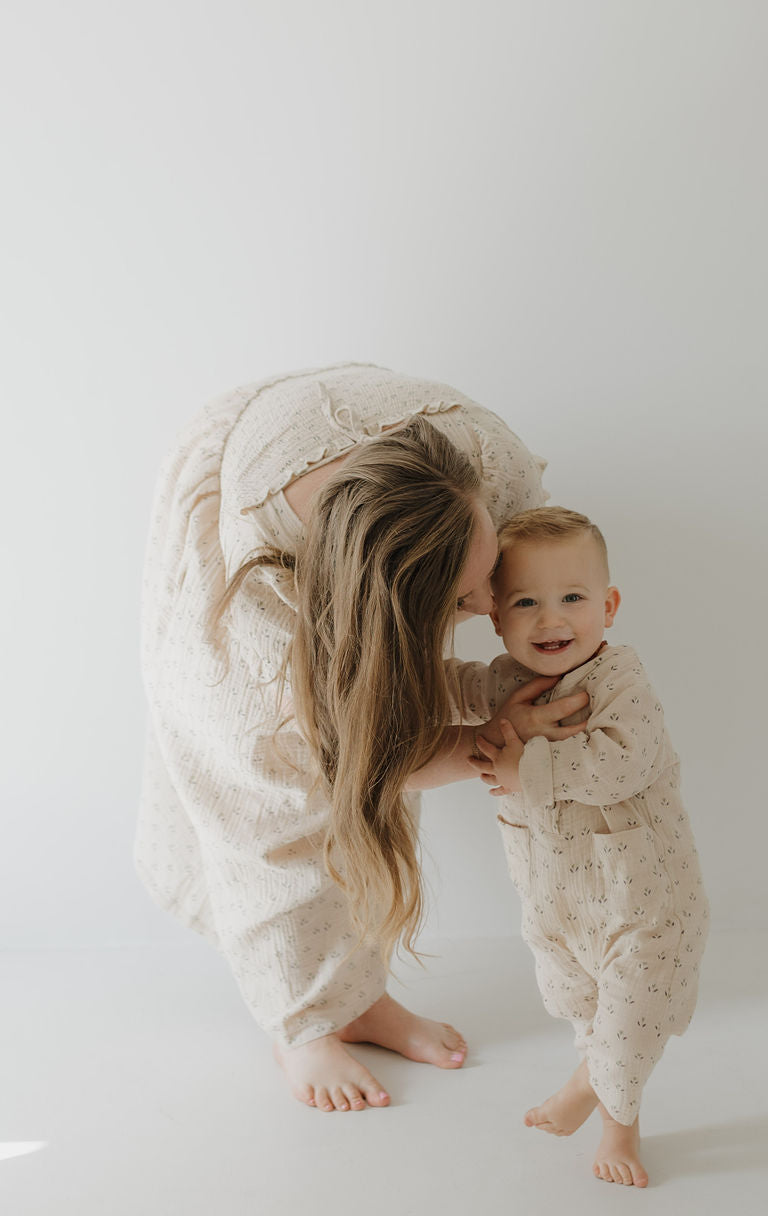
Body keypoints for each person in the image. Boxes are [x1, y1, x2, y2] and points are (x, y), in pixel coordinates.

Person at [135, 362, 590, 1114]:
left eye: (487, 573)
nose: (485, 606)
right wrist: (476, 747)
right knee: (279, 814)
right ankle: (305, 1020)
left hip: (324, 459)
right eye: (460, 599)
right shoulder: (253, 634)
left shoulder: (484, 464)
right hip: (242, 528)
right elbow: (363, 746)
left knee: (379, 756)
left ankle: (358, 996)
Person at [455, 506, 709, 1188]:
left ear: (609, 604)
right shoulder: (501, 682)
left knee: (630, 1020)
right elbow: (444, 693)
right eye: (526, 603)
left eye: (572, 598)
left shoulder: (621, 682)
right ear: (496, 617)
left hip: (642, 896)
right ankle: (589, 1073)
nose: (551, 620)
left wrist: (523, 771)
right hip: (555, 899)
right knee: (580, 1005)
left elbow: (623, 763)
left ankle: (613, 1121)